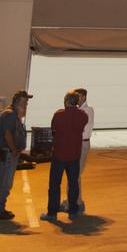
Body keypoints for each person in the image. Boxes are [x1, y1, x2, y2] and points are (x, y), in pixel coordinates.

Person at [41, 91, 88, 222]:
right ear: (77, 102)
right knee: (73, 184)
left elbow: (54, 130)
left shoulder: (58, 115)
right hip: (74, 155)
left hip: (59, 155)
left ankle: (52, 213)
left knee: (55, 185)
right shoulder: (83, 116)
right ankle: (73, 212)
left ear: (66, 101)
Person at [0, 90, 32, 221]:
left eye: (26, 103)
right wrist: (14, 150)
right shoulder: (10, 115)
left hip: (8, 153)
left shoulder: (14, 115)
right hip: (8, 153)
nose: (26, 106)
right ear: (17, 103)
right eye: (24, 103)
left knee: (5, 182)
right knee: (5, 182)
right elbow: (8, 134)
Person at [73, 88, 95, 214]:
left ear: (84, 97)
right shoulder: (79, 110)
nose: (77, 98)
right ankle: (75, 200)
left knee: (75, 174)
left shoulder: (87, 110)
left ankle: (77, 202)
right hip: (79, 143)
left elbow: (82, 129)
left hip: (82, 143)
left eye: (79, 96)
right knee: (75, 174)